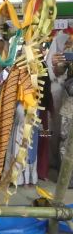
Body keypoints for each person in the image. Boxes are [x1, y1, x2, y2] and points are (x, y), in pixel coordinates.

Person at [47, 32, 73, 187]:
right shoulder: (60, 38)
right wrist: (56, 66)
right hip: (63, 95)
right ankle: (60, 169)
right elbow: (52, 72)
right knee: (58, 134)